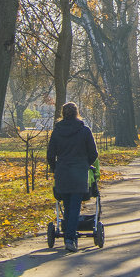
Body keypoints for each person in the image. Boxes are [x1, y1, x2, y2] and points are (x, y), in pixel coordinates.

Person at [47, 102, 98, 252]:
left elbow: (50, 155)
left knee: (67, 206)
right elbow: (94, 154)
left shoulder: (57, 132)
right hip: (79, 172)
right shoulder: (84, 131)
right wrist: (85, 164)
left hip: (62, 172)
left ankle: (69, 236)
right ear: (77, 113)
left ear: (63, 114)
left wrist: (55, 168)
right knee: (75, 206)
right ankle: (70, 238)